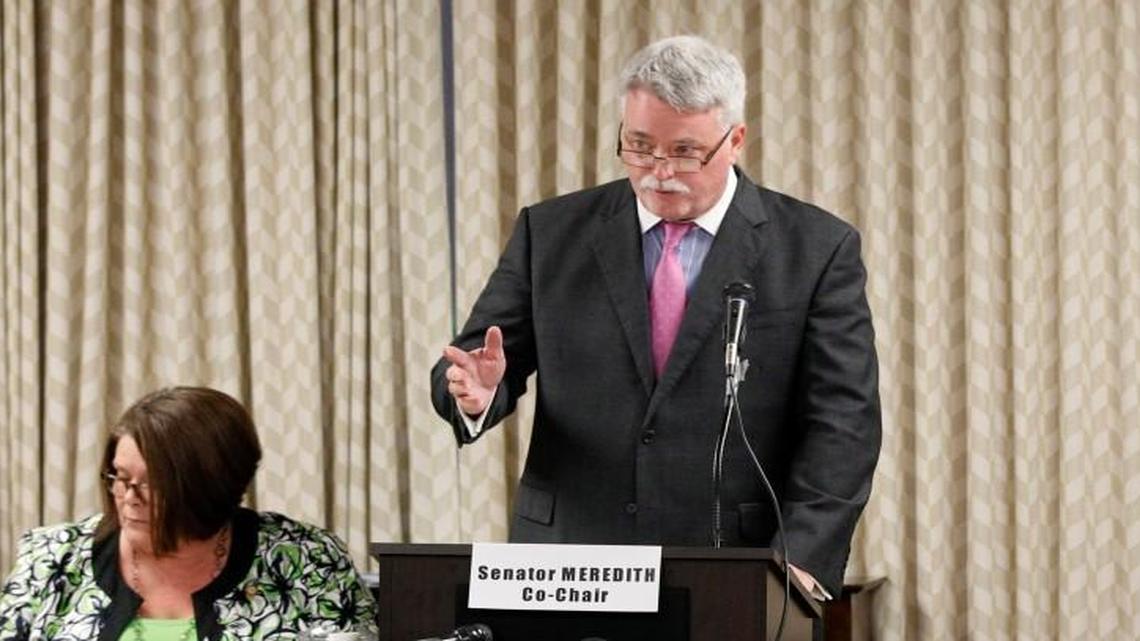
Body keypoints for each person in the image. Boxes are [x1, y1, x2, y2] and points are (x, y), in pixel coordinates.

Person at [430, 35, 881, 599]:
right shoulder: (549, 233)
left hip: (739, 564)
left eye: (685, 151)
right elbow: (476, 362)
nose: (658, 171)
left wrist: (805, 557)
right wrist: (473, 394)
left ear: (735, 140)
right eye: (639, 146)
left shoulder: (816, 248)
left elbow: (844, 421)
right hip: (572, 561)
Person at [0, 386, 378, 640]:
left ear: (212, 485)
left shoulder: (306, 561)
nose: (128, 497)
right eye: (120, 476)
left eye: (150, 483)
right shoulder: (53, 558)